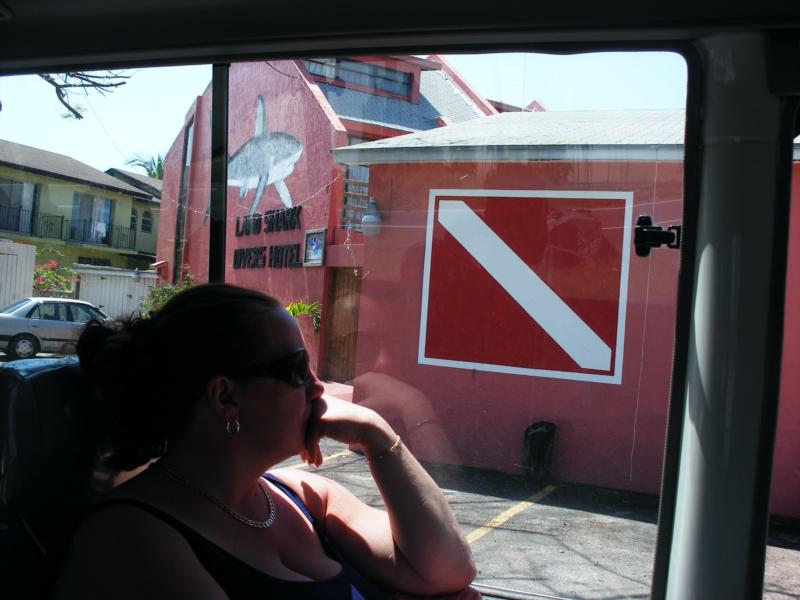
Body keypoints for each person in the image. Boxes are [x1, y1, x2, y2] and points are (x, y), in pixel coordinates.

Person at [52, 283, 476, 599]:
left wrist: (375, 432)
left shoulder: (306, 497)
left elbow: (447, 570)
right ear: (226, 397)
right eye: (297, 370)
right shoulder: (131, 537)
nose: (319, 388)